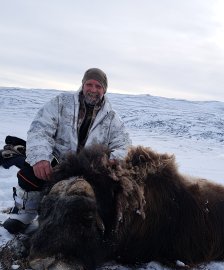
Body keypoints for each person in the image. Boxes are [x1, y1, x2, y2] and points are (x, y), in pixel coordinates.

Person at [1, 68, 131, 234]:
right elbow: (40, 129)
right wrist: (41, 158)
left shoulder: (113, 119)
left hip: (91, 171)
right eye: (89, 84)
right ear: (83, 85)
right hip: (58, 164)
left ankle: (92, 221)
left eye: (98, 86)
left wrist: (114, 161)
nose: (93, 89)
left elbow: (123, 145)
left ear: (104, 90)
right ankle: (25, 212)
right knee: (31, 167)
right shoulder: (61, 103)